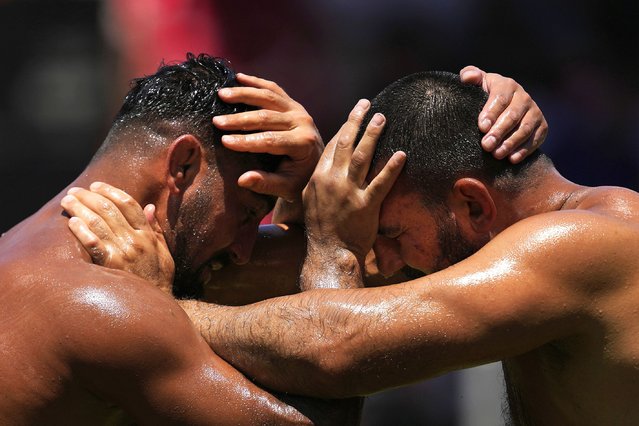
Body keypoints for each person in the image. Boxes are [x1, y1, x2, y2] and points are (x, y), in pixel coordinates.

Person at [69, 69, 639, 426]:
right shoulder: (504, 245)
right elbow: (287, 292)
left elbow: (333, 344)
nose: (383, 261)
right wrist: (302, 191)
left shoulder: (588, 245)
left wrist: (152, 307)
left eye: (389, 234)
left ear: (473, 205)